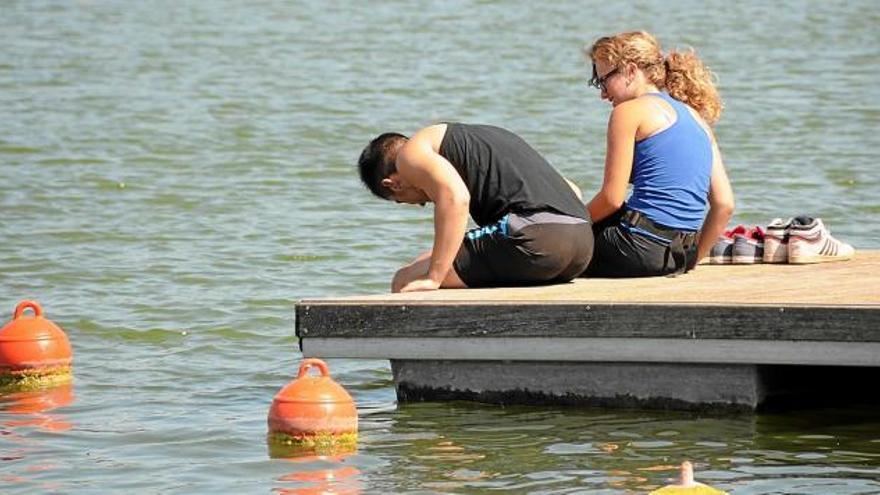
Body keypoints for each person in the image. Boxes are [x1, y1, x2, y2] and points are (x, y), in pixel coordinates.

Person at [358, 123, 593, 292]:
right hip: (582, 247)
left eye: (403, 200)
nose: (421, 204)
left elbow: (455, 199)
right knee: (433, 260)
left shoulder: (410, 154)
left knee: (406, 279)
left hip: (536, 240)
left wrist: (434, 277)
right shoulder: (485, 137)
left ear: (393, 184)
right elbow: (573, 190)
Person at [582, 31, 735, 277]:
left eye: (604, 81)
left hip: (635, 248)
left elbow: (611, 199)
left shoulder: (628, 112)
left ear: (631, 71)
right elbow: (724, 205)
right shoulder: (696, 117)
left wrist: (573, 225)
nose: (602, 93)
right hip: (680, 255)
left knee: (551, 244)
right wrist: (691, 260)